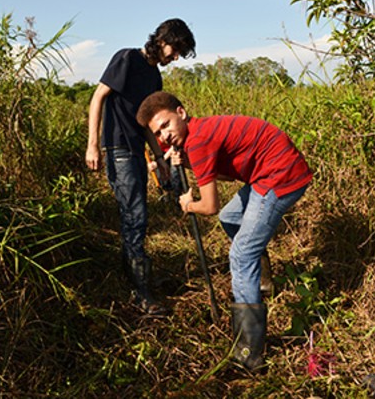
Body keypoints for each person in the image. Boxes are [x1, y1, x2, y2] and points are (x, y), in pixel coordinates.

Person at [136, 91, 313, 370]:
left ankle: (249, 354)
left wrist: (188, 204)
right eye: (158, 133)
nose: (165, 136)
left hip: (281, 174)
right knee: (232, 217)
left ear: (181, 113)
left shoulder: (199, 140)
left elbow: (209, 206)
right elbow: (229, 174)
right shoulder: (197, 135)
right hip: (264, 174)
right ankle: (263, 283)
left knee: (241, 255)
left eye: (167, 125)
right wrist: (189, 164)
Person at [85, 19, 196, 315]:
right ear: (162, 40)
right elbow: (98, 98)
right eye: (176, 50)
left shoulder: (154, 78)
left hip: (136, 149)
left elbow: (148, 123)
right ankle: (140, 291)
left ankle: (136, 277)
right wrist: (92, 144)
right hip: (118, 147)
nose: (175, 58)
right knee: (135, 214)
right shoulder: (127, 59)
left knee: (135, 213)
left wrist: (159, 158)